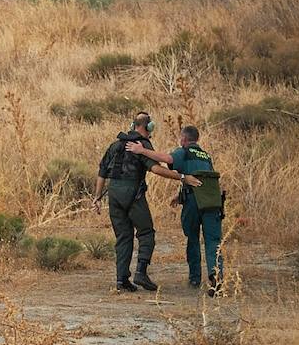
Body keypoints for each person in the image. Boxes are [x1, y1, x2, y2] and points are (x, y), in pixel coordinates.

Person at [93, 112, 200, 293]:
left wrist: (96, 197)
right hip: (132, 193)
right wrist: (183, 177)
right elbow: (157, 169)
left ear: (132, 124)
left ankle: (121, 280)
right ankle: (141, 273)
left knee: (123, 236)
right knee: (146, 232)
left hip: (113, 194)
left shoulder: (116, 145)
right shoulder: (142, 144)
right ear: (148, 127)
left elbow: (102, 172)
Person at [127, 126, 223, 293]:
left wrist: (141, 150)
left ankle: (194, 279)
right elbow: (201, 179)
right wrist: (179, 197)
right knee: (213, 241)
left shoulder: (184, 151)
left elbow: (166, 159)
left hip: (194, 202)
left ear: (184, 139)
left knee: (192, 239)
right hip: (212, 201)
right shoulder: (206, 155)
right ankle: (216, 277)